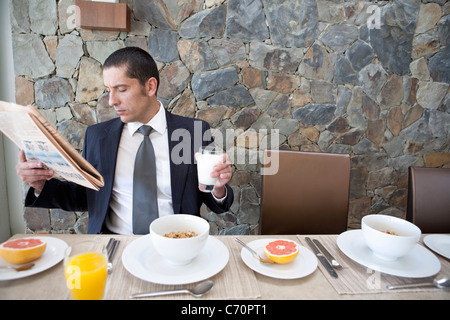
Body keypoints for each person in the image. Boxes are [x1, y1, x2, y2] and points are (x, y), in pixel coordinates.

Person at [16, 47, 234, 235]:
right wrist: (40, 185)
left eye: (121, 89)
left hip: (177, 242)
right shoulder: (97, 137)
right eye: (109, 91)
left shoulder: (192, 132)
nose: (112, 101)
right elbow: (86, 196)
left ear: (150, 87)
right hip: (115, 244)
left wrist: (218, 189)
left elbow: (214, 199)